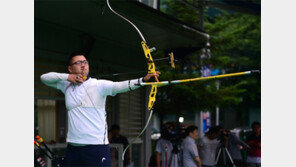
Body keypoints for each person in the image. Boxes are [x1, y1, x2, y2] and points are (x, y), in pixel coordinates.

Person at [40, 51, 160, 167]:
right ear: (70, 68)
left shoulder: (98, 85)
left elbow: (119, 86)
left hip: (96, 147)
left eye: (85, 62)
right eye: (78, 63)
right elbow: (44, 78)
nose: (83, 65)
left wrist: (143, 80)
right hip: (73, 147)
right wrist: (68, 77)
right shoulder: (66, 85)